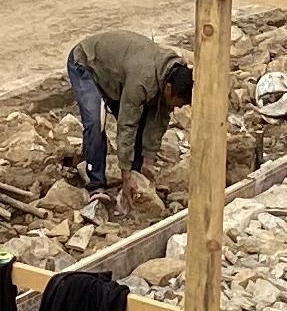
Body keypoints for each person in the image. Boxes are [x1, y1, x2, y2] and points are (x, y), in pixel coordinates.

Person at [66, 27, 194, 196]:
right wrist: (125, 175)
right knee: (96, 122)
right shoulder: (142, 81)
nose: (178, 108)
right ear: (169, 89)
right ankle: (95, 184)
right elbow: (126, 125)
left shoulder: (173, 72)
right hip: (85, 63)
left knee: (140, 125)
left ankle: (136, 175)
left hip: (116, 75)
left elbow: (159, 120)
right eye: (178, 103)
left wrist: (148, 161)